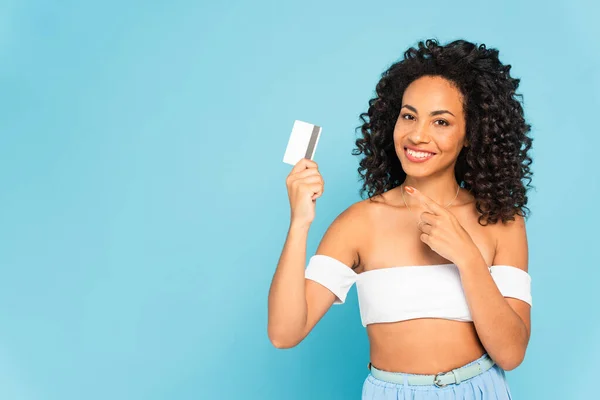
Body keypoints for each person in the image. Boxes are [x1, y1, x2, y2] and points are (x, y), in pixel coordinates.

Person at [267, 38, 533, 399]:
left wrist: (468, 258)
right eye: (409, 116)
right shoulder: (359, 223)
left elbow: (511, 353)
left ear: (471, 134)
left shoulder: (501, 220)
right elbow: (285, 333)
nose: (417, 135)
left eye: (441, 121)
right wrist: (299, 222)